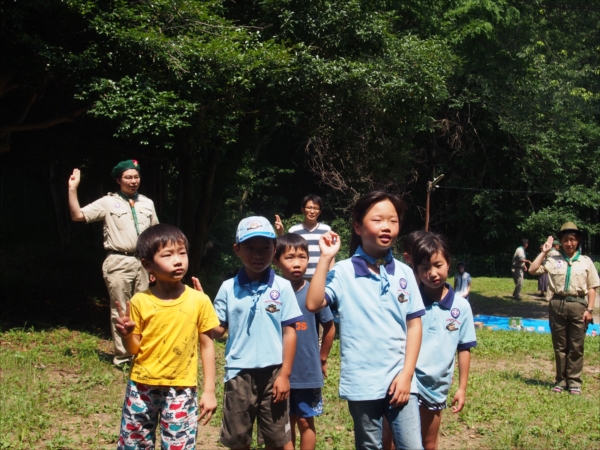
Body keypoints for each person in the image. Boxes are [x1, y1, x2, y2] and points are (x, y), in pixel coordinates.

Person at [306, 191, 425, 450]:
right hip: (362, 381)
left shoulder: (405, 273)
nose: (387, 227)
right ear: (358, 227)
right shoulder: (343, 271)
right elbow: (314, 303)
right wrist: (325, 258)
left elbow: (414, 324)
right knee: (369, 445)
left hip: (401, 380)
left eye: (393, 221)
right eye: (378, 220)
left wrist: (407, 375)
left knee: (412, 446)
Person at [114, 224, 219, 450]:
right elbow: (134, 349)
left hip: (181, 389)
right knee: (134, 445)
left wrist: (209, 390)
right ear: (147, 264)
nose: (178, 260)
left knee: (178, 446)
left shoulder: (199, 301)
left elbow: (207, 346)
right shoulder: (140, 301)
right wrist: (127, 335)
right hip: (142, 387)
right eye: (168, 255)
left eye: (182, 253)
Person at [212, 216, 304, 450]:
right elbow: (218, 331)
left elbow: (290, 332)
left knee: (277, 438)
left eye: (265, 248)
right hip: (238, 373)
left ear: (275, 250)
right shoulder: (228, 287)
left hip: (274, 373)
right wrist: (202, 311)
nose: (258, 254)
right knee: (238, 439)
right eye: (250, 248)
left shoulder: (282, 287)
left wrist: (285, 374)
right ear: (237, 250)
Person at [68, 160, 159, 365]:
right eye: (128, 177)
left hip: (144, 262)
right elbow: (77, 216)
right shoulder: (108, 203)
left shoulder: (147, 203)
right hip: (118, 261)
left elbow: (155, 235)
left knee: (144, 308)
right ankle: (124, 356)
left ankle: (142, 353)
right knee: (121, 308)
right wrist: (72, 189)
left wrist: (155, 265)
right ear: (119, 180)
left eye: (136, 177)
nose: (133, 181)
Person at [413, 234, 477, 450]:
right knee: (393, 439)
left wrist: (462, 387)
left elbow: (464, 348)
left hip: (435, 384)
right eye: (424, 268)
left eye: (438, 265)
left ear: (449, 263)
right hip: (405, 382)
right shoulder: (409, 300)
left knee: (428, 442)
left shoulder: (461, 307)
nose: (432, 273)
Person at [273, 233, 336, 450]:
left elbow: (329, 326)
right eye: (289, 258)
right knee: (284, 424)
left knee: (305, 421)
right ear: (276, 260)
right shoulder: (273, 292)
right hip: (278, 372)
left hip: (308, 371)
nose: (297, 263)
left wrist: (323, 357)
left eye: (302, 257)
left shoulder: (314, 292)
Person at [529, 222, 599, 395]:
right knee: (560, 346)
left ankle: (574, 381)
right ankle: (561, 380)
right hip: (557, 305)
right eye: (566, 240)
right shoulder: (553, 260)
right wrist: (544, 251)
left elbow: (592, 288)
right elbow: (532, 269)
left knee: (576, 346)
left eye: (573, 240)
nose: (569, 243)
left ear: (578, 241)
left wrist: (589, 310)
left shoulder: (586, 262)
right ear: (560, 242)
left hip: (578, 306)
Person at [274, 194, 334, 279]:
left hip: (321, 276)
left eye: (316, 208)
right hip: (299, 276)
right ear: (303, 209)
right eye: (309, 207)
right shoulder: (294, 230)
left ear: (319, 212)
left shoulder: (326, 230)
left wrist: (331, 274)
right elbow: (285, 250)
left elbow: (331, 254)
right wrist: (281, 233)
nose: (312, 211)